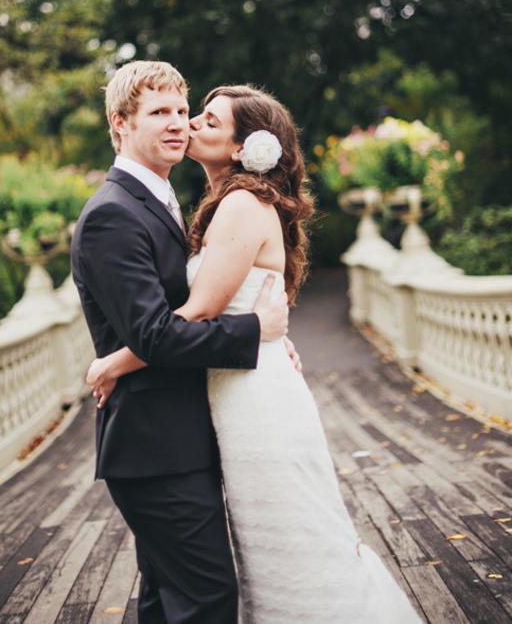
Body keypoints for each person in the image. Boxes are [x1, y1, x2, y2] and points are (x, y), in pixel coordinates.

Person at [88, 84, 422, 624]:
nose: (191, 124)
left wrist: (115, 361)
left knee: (293, 538)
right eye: (187, 114)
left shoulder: (242, 205)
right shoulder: (219, 203)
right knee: (267, 550)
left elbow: (198, 310)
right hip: (231, 392)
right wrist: (260, 327)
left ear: (246, 148)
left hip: (254, 401)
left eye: (207, 121)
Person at [70, 62, 290, 624]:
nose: (176, 124)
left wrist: (116, 363)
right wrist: (253, 331)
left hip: (177, 438)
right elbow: (155, 335)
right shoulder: (112, 215)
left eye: (179, 111)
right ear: (119, 124)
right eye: (157, 113)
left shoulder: (162, 199)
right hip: (155, 447)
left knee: (171, 602)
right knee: (208, 599)